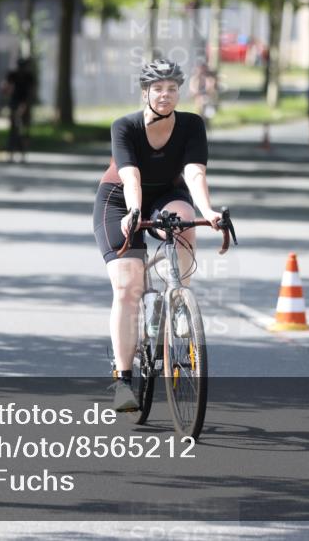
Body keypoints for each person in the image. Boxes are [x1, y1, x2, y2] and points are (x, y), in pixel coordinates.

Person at [92, 58, 224, 411]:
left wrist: (208, 211)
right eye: (158, 89)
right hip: (120, 200)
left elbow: (194, 174)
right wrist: (134, 212)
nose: (165, 95)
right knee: (127, 286)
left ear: (180, 92)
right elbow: (131, 176)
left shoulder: (192, 125)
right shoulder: (125, 126)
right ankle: (123, 380)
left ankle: (179, 301)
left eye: (172, 89)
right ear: (145, 93)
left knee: (184, 219)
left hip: (167, 193)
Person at [1, 57, 36, 163]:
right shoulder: (13, 75)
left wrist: (25, 105)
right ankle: (11, 154)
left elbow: (31, 92)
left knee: (23, 131)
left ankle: (22, 154)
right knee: (14, 130)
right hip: (15, 104)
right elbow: (5, 87)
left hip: (24, 104)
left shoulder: (29, 77)